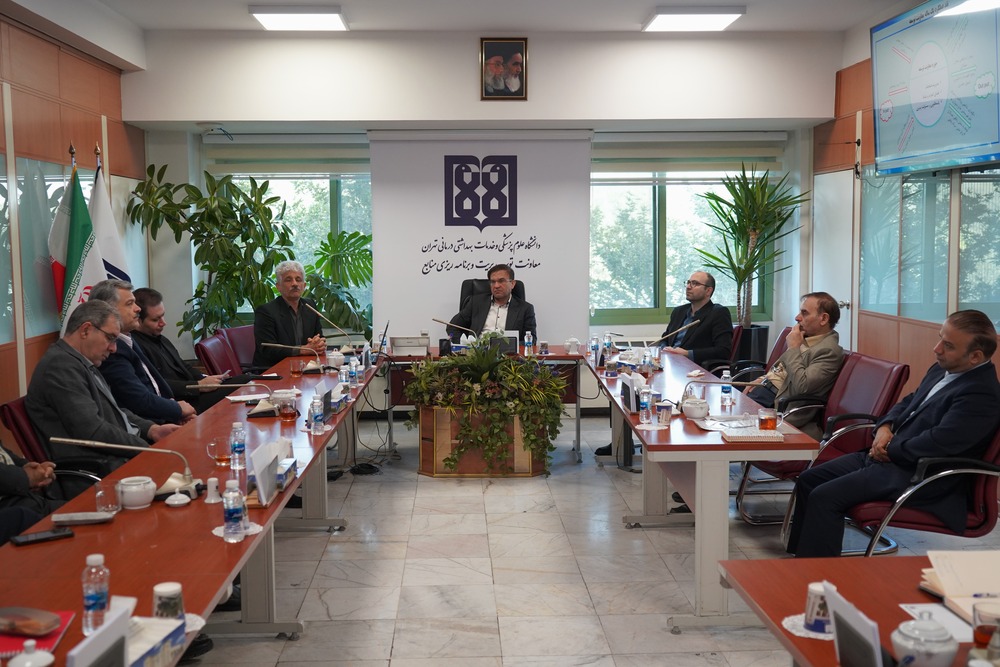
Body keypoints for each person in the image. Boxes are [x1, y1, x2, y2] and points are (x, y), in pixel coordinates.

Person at [787, 309, 1000, 558]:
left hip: (922, 476)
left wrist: (889, 448)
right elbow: (908, 403)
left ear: (975, 356)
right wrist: (884, 428)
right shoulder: (942, 369)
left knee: (825, 497)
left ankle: (818, 572)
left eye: (948, 345)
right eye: (940, 338)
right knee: (809, 479)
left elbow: (940, 442)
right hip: (892, 459)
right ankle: (801, 560)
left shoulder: (981, 394)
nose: (937, 349)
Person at [25, 300, 181, 476]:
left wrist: (152, 430)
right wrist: (147, 449)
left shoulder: (82, 361)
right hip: (98, 469)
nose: (114, 348)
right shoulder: (60, 366)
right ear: (85, 330)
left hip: (117, 458)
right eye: (110, 338)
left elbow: (113, 410)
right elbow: (93, 431)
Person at [89, 280, 196, 425]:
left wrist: (175, 412)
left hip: (166, 415)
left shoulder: (128, 338)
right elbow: (137, 400)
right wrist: (176, 410)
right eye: (129, 304)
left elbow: (155, 384)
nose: (138, 308)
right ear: (108, 310)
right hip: (148, 426)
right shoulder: (111, 350)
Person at [743, 292, 845, 439]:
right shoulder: (805, 337)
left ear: (823, 319)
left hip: (778, 405)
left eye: (804, 313)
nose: (797, 317)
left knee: (727, 426)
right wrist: (762, 379)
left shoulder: (829, 351)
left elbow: (802, 386)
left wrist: (793, 349)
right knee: (718, 414)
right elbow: (780, 370)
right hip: (764, 391)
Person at [131, 288, 238, 413]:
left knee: (243, 381)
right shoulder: (135, 346)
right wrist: (198, 386)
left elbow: (183, 366)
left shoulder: (160, 339)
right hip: (179, 402)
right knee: (242, 383)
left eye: (163, 316)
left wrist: (207, 379)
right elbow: (154, 384)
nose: (163, 323)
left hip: (194, 393)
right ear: (138, 320)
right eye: (155, 320)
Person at [253, 260, 326, 370]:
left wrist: (319, 344)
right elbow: (268, 349)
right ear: (278, 286)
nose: (295, 284)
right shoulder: (265, 311)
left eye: (298, 279)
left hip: (305, 367)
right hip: (274, 370)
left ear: (304, 285)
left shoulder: (310, 306)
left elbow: (319, 336)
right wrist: (303, 350)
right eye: (288, 280)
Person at [447, 263, 537, 342]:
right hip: (477, 353)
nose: (496, 286)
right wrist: (465, 346)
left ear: (512, 284)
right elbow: (452, 327)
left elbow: (531, 340)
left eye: (501, 281)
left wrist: (512, 347)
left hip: (508, 354)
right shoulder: (476, 303)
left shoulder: (525, 308)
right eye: (493, 282)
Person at [660, 271, 733, 365]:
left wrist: (687, 354)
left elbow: (723, 351)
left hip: (695, 367)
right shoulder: (679, 311)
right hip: (670, 363)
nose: (688, 287)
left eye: (695, 283)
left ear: (708, 291)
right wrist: (664, 349)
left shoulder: (718, 313)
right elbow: (665, 339)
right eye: (688, 282)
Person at [1, 441, 63, 515]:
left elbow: (5, 455)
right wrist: (28, 476)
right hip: (10, 509)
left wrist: (38, 469)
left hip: (28, 499)